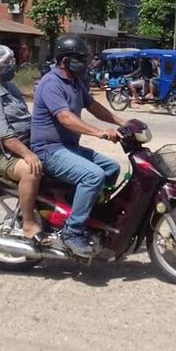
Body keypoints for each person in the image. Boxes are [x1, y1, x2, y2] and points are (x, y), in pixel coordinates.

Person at [31, 34, 125, 257]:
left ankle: (80, 213)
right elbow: (65, 118)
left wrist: (122, 122)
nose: (85, 63)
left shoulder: (75, 82)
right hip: (49, 150)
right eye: (80, 59)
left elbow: (93, 106)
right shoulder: (51, 83)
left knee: (111, 168)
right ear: (64, 60)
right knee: (93, 176)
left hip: (67, 148)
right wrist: (99, 133)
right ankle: (72, 232)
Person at [0, 45, 48, 246]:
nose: (11, 65)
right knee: (31, 171)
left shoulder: (10, 87)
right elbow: (3, 135)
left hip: (21, 143)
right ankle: (28, 225)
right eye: (6, 63)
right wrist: (28, 155)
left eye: (12, 61)